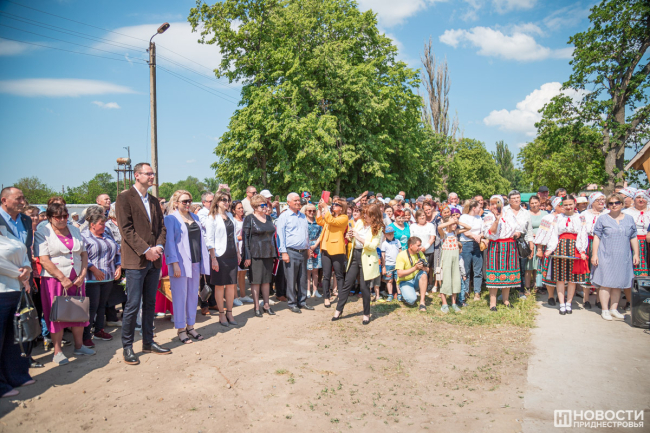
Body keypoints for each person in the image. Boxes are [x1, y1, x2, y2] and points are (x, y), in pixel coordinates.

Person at [115, 162, 170, 366]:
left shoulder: (154, 201)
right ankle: (127, 347)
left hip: (154, 260)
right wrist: (146, 250)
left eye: (153, 173)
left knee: (150, 304)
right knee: (132, 305)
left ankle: (148, 342)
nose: (152, 176)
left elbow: (161, 228)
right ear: (137, 175)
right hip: (136, 260)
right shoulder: (124, 198)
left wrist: (159, 247)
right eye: (148, 173)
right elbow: (126, 229)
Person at [37, 203, 94, 365]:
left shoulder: (75, 230)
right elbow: (44, 259)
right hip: (54, 279)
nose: (62, 219)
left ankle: (79, 346)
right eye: (58, 217)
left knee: (78, 311)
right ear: (50, 218)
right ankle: (58, 351)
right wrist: (62, 278)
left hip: (76, 278)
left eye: (65, 216)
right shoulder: (43, 232)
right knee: (57, 314)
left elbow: (83, 254)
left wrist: (82, 274)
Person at [164, 190, 211, 344]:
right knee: (180, 297)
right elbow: (169, 243)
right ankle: (181, 329)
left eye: (189, 201)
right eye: (184, 201)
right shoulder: (171, 219)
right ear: (176, 203)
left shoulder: (195, 217)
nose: (188, 204)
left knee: (192, 295)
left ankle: (191, 326)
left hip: (195, 261)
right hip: (180, 263)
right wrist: (174, 264)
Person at [332, 204, 384, 324]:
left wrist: (359, 238)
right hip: (355, 255)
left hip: (367, 257)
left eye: (367, 214)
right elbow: (353, 239)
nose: (364, 216)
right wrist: (349, 236)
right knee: (347, 283)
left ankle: (366, 314)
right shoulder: (360, 222)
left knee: (364, 287)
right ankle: (338, 310)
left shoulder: (378, 228)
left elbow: (373, 246)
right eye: (364, 213)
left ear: (374, 215)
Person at [591, 193, 638, 321]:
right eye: (611, 203)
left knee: (618, 284)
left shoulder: (629, 219)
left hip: (623, 256)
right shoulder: (603, 219)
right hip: (606, 255)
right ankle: (605, 310)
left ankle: (613, 309)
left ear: (622, 204)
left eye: (617, 203)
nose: (614, 205)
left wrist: (636, 253)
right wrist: (594, 254)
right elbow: (597, 237)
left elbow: (633, 237)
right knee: (605, 283)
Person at [0, 224, 34, 397]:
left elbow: (23, 252)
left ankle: (17, 376)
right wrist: (19, 274)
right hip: (2, 290)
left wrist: (27, 269)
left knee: (15, 338)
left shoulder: (6, 231)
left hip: (16, 290)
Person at [81, 213, 121, 349]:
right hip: (91, 279)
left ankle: (99, 330)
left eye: (104, 223)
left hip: (108, 276)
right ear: (92, 225)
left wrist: (119, 266)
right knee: (91, 307)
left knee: (102, 305)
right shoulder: (84, 237)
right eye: (101, 224)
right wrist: (93, 269)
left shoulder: (107, 236)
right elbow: (81, 256)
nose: (104, 226)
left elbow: (118, 252)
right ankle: (86, 336)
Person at [545, 196, 589, 315]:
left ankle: (569, 303)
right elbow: (553, 233)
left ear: (574, 204)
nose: (568, 207)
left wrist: (582, 250)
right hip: (561, 246)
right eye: (565, 205)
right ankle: (561, 303)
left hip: (575, 247)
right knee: (560, 278)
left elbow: (583, 234)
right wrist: (550, 249)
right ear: (562, 205)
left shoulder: (580, 217)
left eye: (570, 204)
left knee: (572, 279)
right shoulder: (558, 217)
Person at [205, 190, 240, 326]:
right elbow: (209, 240)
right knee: (220, 286)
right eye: (224, 200)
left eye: (228, 200)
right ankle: (221, 314)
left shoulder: (230, 215)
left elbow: (234, 236)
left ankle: (229, 313)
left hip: (232, 254)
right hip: (219, 255)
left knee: (231, 285)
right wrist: (213, 258)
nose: (227, 202)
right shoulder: (212, 217)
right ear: (217, 201)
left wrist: (238, 252)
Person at [483, 195, 521, 311]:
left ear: (502, 204)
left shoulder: (509, 214)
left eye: (497, 203)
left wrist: (517, 234)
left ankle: (506, 300)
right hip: (496, 246)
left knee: (508, 273)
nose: (495, 206)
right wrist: (496, 220)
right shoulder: (489, 217)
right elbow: (490, 233)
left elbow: (517, 228)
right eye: (492, 204)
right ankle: (492, 303)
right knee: (494, 273)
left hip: (510, 245)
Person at [242, 194, 278, 317]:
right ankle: (256, 306)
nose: (265, 207)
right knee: (256, 281)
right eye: (262, 205)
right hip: (255, 254)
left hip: (268, 253)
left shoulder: (268, 218)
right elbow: (246, 238)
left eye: (265, 204)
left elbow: (272, 236)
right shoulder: (249, 218)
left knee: (267, 280)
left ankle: (266, 305)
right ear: (255, 207)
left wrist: (274, 253)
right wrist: (247, 256)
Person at [276, 193, 312, 313]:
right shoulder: (284, 216)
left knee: (302, 278)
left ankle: (302, 301)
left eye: (298, 200)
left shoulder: (302, 216)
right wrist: (283, 252)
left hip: (303, 251)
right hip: (291, 251)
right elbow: (280, 236)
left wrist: (308, 248)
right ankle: (292, 303)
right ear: (288, 202)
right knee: (291, 279)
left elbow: (306, 234)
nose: (298, 202)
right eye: (295, 200)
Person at [316, 198, 349, 308]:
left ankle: (341, 296)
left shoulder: (344, 218)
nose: (334, 205)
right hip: (325, 248)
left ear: (342, 208)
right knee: (326, 275)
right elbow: (319, 221)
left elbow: (331, 221)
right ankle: (326, 297)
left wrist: (326, 207)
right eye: (333, 204)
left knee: (339, 275)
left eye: (337, 204)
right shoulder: (330, 216)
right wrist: (319, 209)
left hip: (337, 249)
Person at [437, 209, 471, 313]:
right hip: (446, 261)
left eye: (454, 224)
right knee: (445, 281)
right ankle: (444, 304)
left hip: (455, 261)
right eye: (452, 224)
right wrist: (450, 222)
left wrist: (457, 222)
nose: (454, 225)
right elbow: (439, 227)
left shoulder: (455, 233)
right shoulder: (444, 234)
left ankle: (454, 303)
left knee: (455, 281)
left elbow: (468, 228)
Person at [622, 190, 650, 310]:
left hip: (647, 244)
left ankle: (644, 302)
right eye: (638, 197)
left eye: (643, 197)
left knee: (645, 274)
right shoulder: (627, 213)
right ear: (634, 199)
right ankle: (630, 301)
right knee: (629, 273)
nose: (641, 200)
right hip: (630, 243)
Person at [503, 190, 533, 296]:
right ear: (509, 200)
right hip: (507, 241)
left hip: (521, 241)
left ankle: (521, 290)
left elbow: (529, 230)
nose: (516, 200)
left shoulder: (526, 212)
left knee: (521, 266)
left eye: (518, 197)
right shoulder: (504, 210)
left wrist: (531, 245)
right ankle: (505, 291)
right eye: (514, 198)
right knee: (506, 266)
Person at [582, 192, 607, 309]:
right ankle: (586, 299)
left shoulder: (607, 213)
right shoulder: (584, 214)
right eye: (598, 200)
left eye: (603, 199)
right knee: (587, 270)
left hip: (603, 244)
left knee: (601, 270)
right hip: (588, 243)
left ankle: (599, 299)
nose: (601, 202)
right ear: (592, 202)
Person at [459, 200, 484, 303]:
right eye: (479, 207)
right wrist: (475, 236)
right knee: (466, 269)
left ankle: (477, 291)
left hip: (477, 244)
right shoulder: (463, 217)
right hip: (466, 244)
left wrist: (479, 236)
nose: (480, 209)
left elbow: (483, 231)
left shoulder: (479, 218)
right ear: (474, 208)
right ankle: (465, 291)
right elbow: (465, 232)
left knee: (478, 269)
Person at [395, 237, 428, 309]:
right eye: (418, 246)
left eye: (420, 245)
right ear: (411, 246)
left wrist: (423, 268)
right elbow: (399, 274)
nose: (420, 247)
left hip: (416, 279)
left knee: (424, 274)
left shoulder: (420, 253)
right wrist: (415, 268)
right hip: (405, 281)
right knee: (411, 301)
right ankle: (405, 293)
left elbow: (427, 270)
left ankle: (422, 302)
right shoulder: (401, 255)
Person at [232, 200, 253, 305]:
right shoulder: (233, 221)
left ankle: (243, 295)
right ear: (233, 210)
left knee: (243, 272)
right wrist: (242, 237)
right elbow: (233, 236)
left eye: (242, 207)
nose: (241, 210)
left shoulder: (245, 219)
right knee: (235, 274)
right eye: (238, 208)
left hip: (245, 248)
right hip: (236, 248)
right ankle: (235, 296)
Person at [525, 196, 547, 291]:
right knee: (529, 266)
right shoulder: (526, 214)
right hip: (530, 241)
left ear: (539, 203)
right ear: (529, 204)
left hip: (542, 242)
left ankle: (537, 285)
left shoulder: (545, 214)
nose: (534, 205)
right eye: (532, 203)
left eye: (536, 202)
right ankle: (527, 287)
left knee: (539, 265)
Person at [409, 210, 436, 279]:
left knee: (428, 268)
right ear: (416, 218)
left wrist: (425, 248)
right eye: (420, 216)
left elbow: (432, 238)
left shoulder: (430, 225)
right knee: (418, 268)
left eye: (423, 215)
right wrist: (417, 248)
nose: (422, 217)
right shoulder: (412, 226)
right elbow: (412, 238)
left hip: (428, 251)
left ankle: (429, 283)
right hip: (416, 251)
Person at [304, 204, 322, 299]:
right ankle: (307, 290)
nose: (312, 212)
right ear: (306, 211)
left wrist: (315, 245)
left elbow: (321, 234)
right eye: (309, 211)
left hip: (316, 247)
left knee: (315, 270)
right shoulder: (303, 222)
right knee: (307, 270)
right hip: (306, 247)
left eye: (314, 211)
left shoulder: (318, 222)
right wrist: (308, 247)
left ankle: (315, 290)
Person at [380, 226, 401, 301]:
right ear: (385, 235)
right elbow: (383, 255)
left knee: (397, 279)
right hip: (388, 265)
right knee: (389, 280)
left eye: (392, 233)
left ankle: (399, 294)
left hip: (397, 264)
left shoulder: (397, 241)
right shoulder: (384, 244)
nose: (390, 235)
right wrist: (384, 266)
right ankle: (390, 294)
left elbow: (400, 251)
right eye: (388, 234)